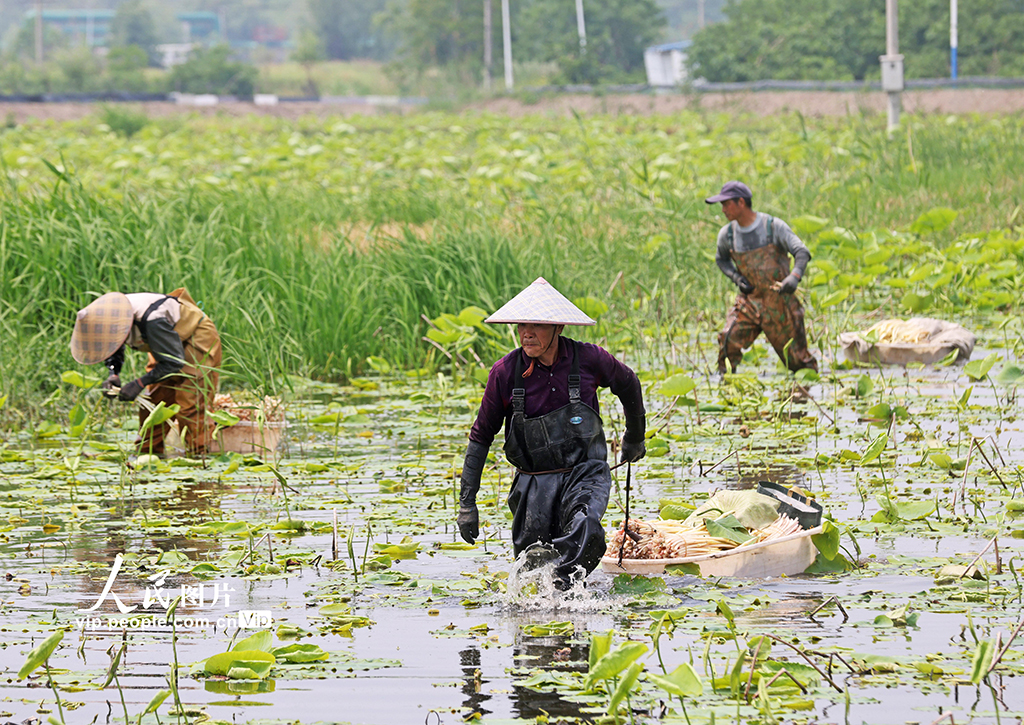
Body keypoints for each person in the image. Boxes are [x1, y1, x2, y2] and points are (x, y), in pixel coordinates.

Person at [456, 277, 647, 590]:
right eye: (521, 325)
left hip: (585, 474)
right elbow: (480, 438)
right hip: (532, 484)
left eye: (537, 326)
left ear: (558, 327)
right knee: (532, 568)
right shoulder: (505, 373)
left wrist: (634, 437)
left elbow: (628, 383)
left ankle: (568, 593)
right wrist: (467, 504)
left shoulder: (588, 359)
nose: (527, 333)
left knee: (585, 528)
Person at [70, 288, 222, 457]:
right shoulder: (109, 319)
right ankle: (147, 453)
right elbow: (114, 347)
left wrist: (139, 383)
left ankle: (199, 457)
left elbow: (173, 362)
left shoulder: (152, 320)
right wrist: (114, 374)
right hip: (164, 343)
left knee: (190, 404)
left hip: (194, 336)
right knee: (155, 402)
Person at [706, 180, 818, 375]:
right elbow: (721, 260)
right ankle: (727, 387)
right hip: (750, 302)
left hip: (780, 303)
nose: (723, 210)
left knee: (797, 360)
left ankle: (804, 395)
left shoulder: (772, 227)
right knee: (728, 340)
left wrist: (794, 277)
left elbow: (801, 252)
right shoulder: (727, 235)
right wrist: (736, 278)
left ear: (741, 202)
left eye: (726, 204)